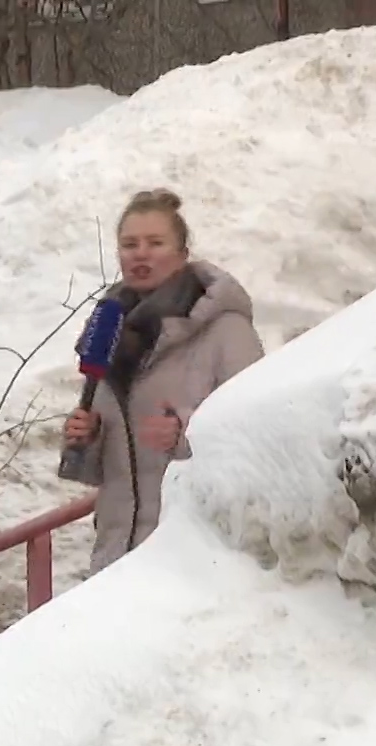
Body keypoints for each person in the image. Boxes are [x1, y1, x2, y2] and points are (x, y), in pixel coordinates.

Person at [62, 188, 266, 574]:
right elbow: (101, 471)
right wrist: (85, 439)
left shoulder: (226, 330)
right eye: (130, 244)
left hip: (196, 559)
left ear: (182, 252)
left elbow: (257, 439)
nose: (141, 254)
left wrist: (185, 434)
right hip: (116, 556)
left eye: (155, 243)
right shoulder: (108, 332)